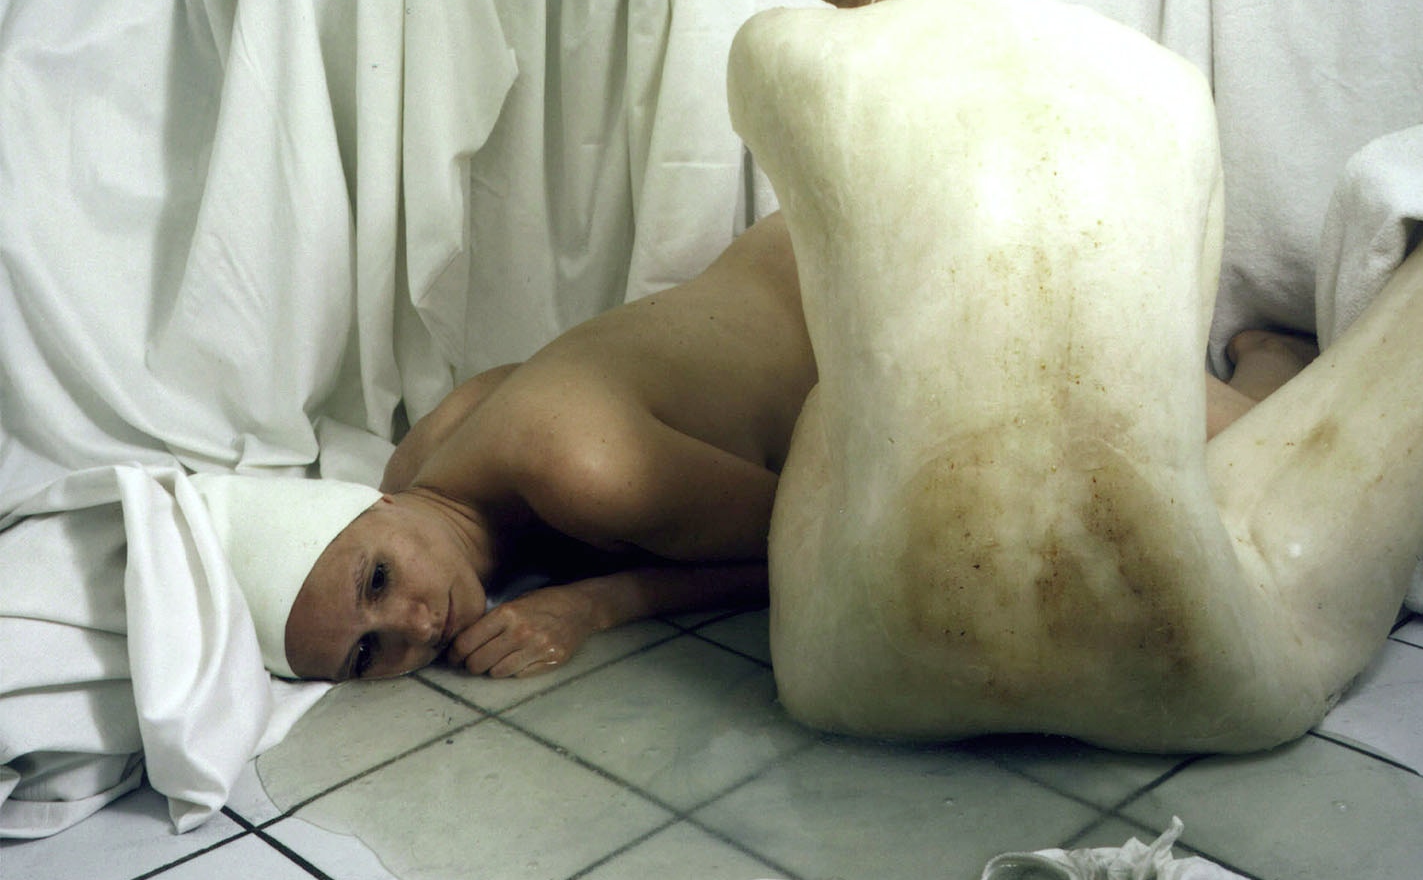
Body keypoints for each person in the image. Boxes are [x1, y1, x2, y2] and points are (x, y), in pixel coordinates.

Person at [709, 0, 1423, 752]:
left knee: (834, 399)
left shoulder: (776, 62)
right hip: (1202, 681)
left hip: (857, 671)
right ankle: (1286, 361)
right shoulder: (1169, 88)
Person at [269, 209, 1307, 685]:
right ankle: (1245, 357)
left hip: (890, 273)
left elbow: (832, 543)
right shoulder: (423, 460)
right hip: (800, 260)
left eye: (376, 580)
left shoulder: (575, 467)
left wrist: (598, 603)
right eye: (368, 653)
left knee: (1257, 467)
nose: (414, 625)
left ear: (368, 510)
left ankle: (1267, 361)